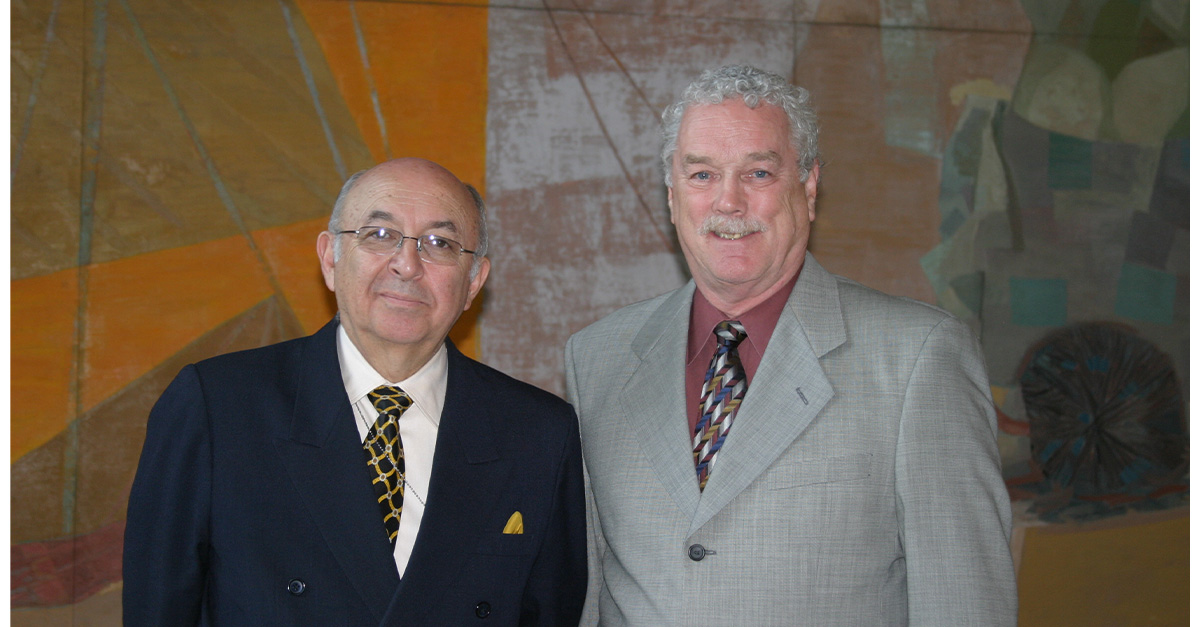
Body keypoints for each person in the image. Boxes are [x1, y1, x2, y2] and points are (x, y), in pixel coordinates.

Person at [565, 65, 1017, 625]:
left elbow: (964, 601)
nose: (728, 202)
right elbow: (584, 591)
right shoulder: (597, 358)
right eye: (702, 175)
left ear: (807, 186)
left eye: (757, 173)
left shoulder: (920, 357)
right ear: (672, 194)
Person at [124, 158, 587, 625]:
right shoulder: (218, 407)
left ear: (473, 283)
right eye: (379, 235)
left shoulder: (539, 433)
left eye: (440, 244)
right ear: (330, 259)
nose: (407, 265)